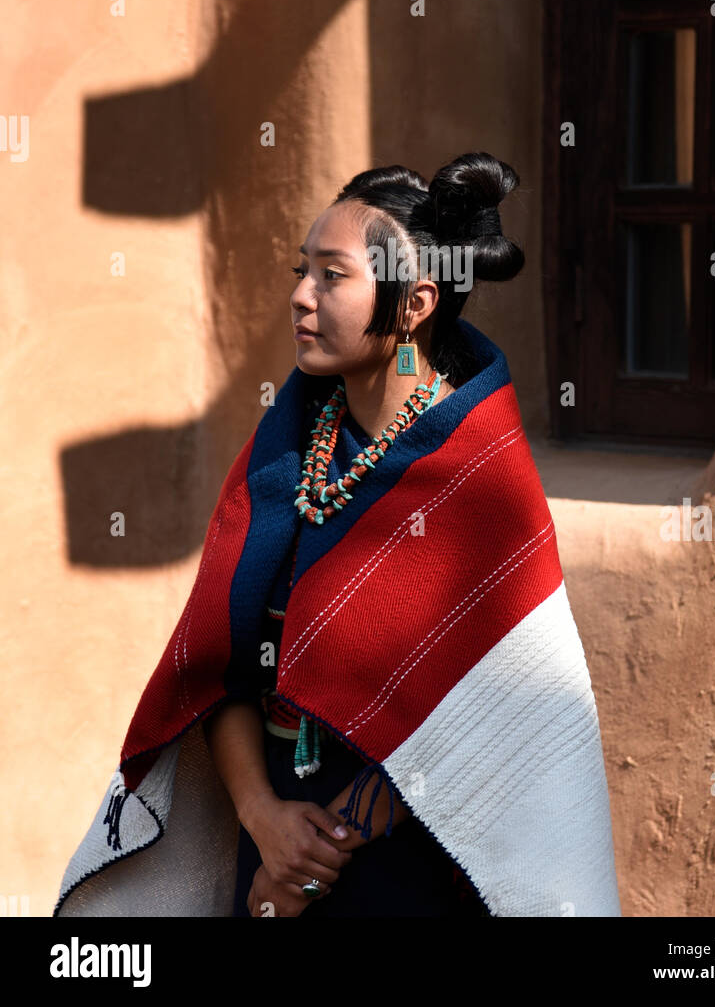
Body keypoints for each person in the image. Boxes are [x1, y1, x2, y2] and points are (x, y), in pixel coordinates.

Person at [54, 151, 621, 918]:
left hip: (403, 860)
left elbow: (485, 723)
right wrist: (262, 819)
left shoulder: (479, 477)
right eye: (302, 270)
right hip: (274, 827)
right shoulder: (284, 451)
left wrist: (312, 859)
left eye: (332, 276)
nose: (299, 296)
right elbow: (220, 666)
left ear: (414, 304)